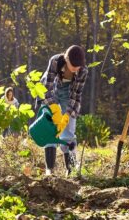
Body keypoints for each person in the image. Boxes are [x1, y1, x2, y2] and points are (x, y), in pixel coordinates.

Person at [41, 45, 87, 176]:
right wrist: (54, 108)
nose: (75, 69)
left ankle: (71, 170)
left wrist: (67, 114)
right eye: (73, 66)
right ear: (66, 58)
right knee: (50, 129)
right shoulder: (55, 61)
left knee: (68, 133)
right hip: (53, 91)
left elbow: (76, 95)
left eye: (78, 66)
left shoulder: (83, 71)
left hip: (69, 94)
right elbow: (47, 87)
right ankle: (49, 170)